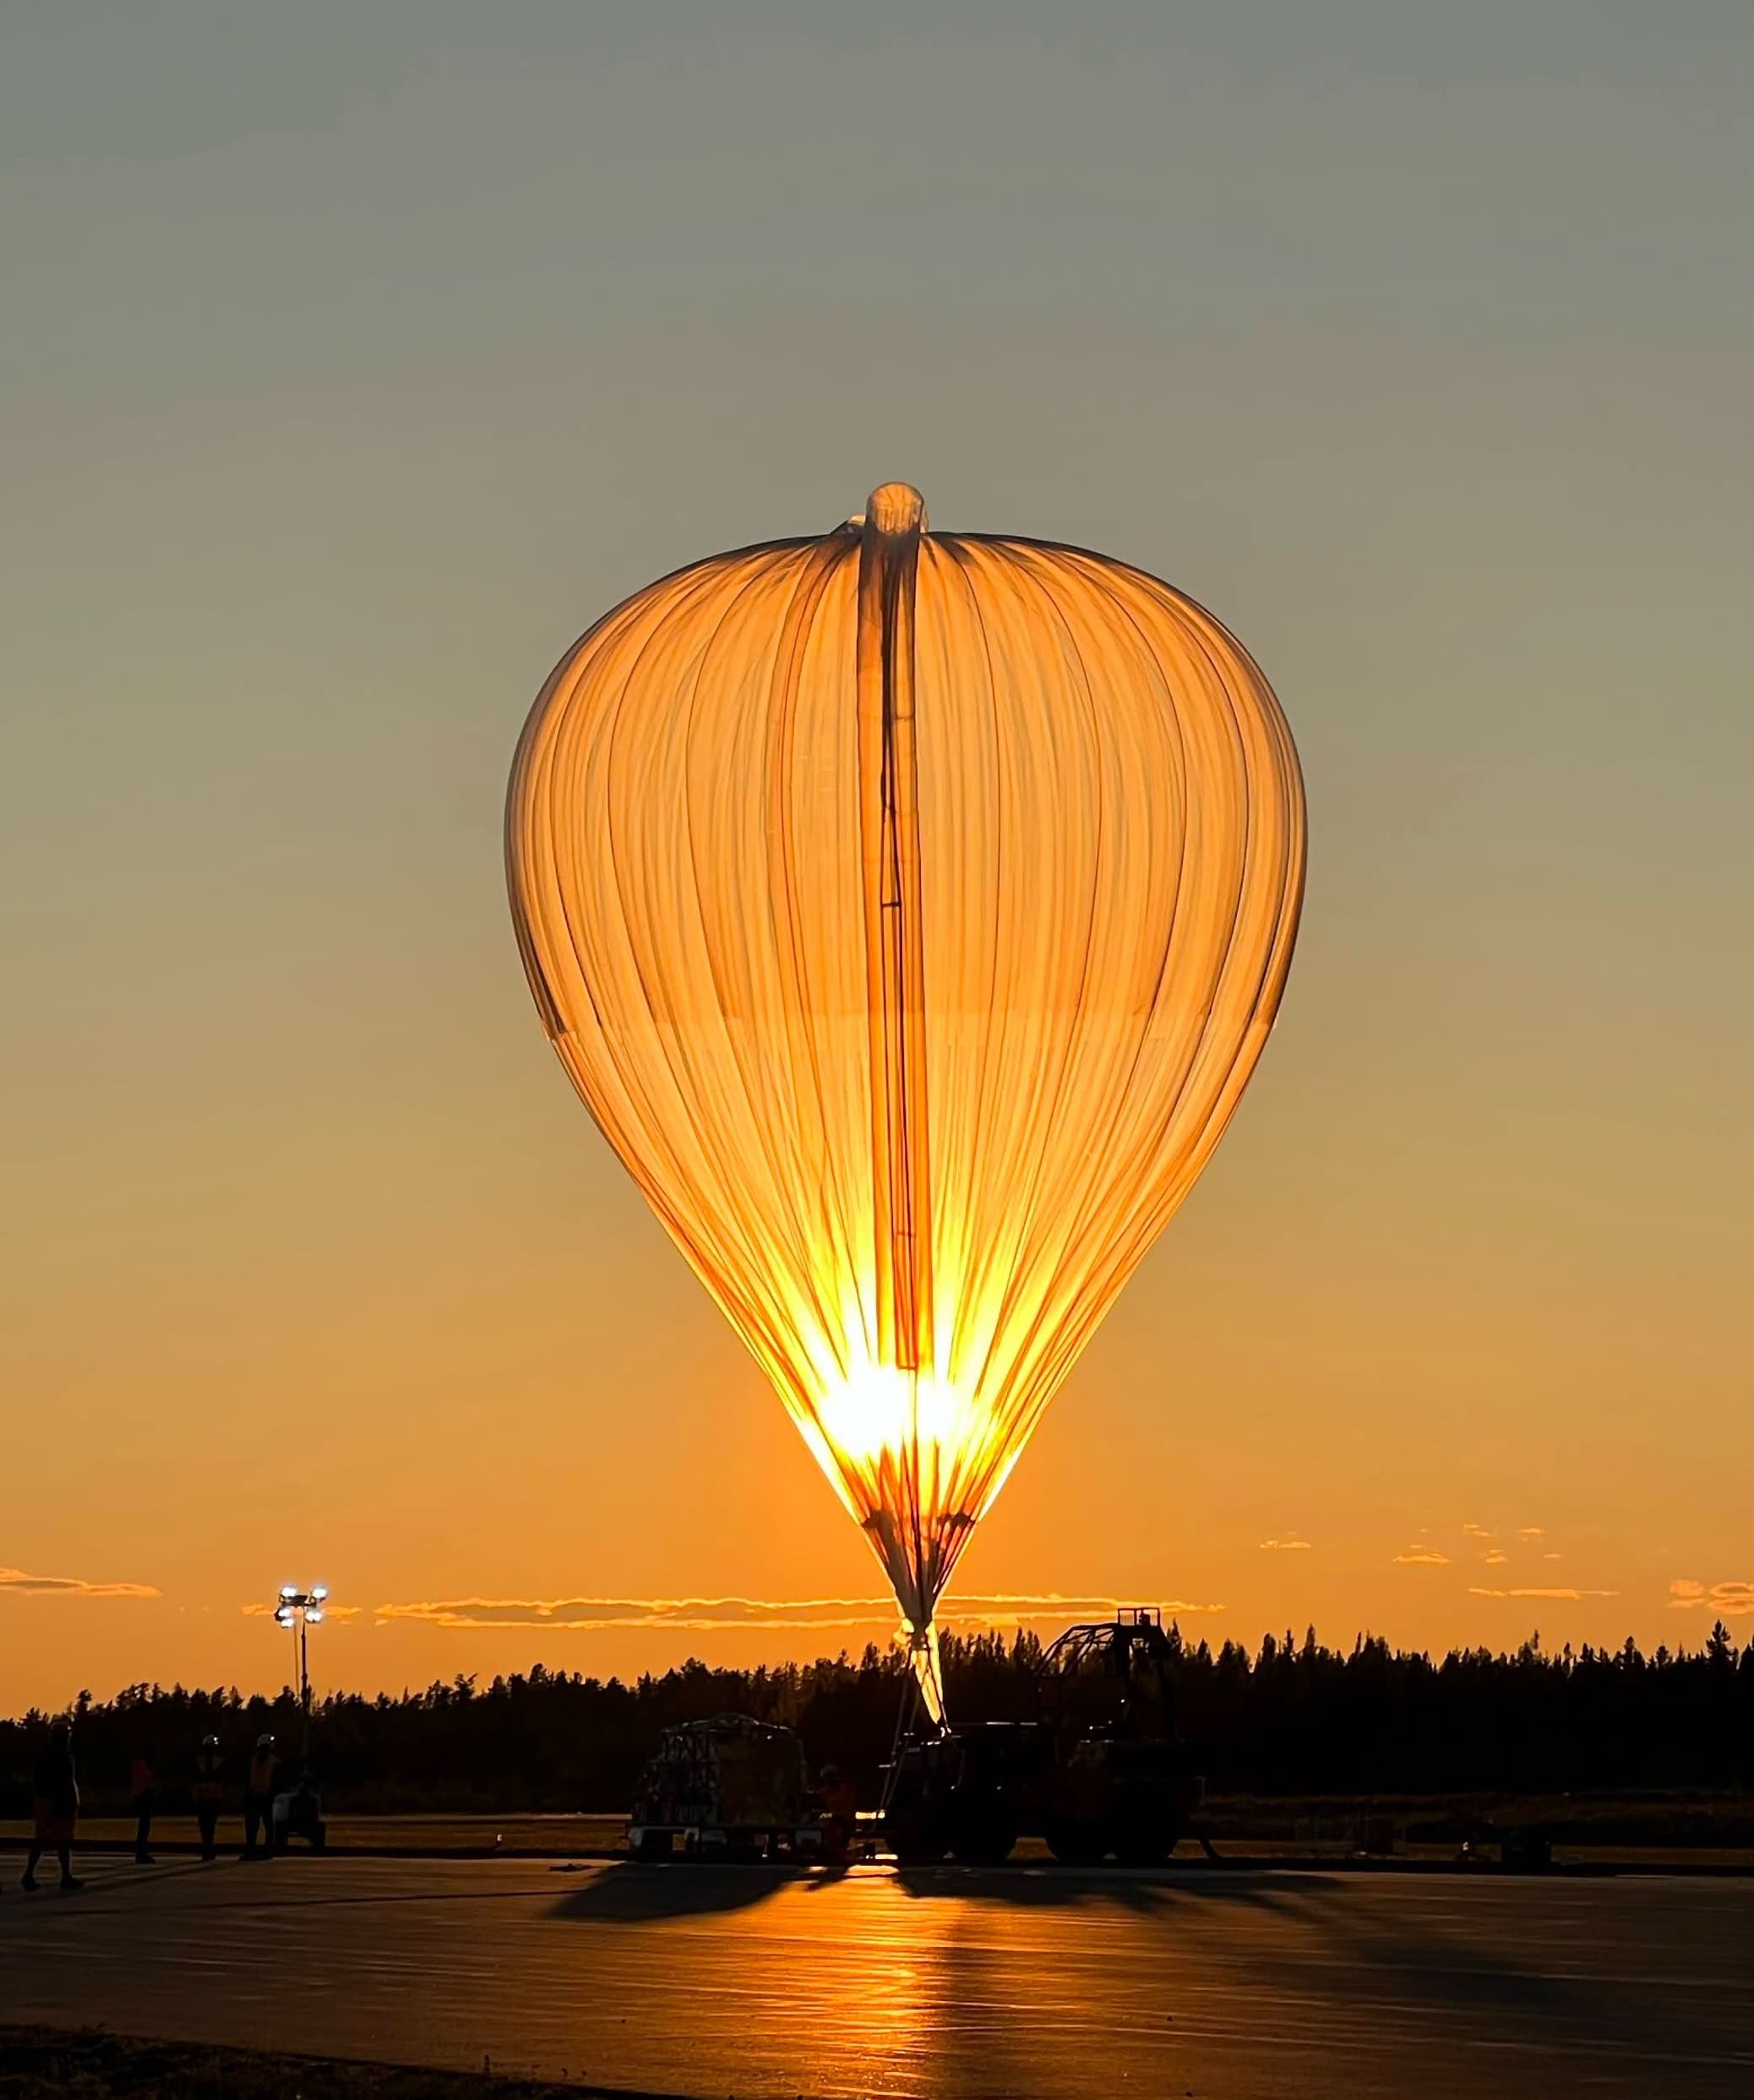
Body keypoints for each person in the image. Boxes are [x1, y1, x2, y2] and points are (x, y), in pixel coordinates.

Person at [22, 1721, 83, 1892]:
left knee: (40, 1839)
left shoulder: (44, 1756)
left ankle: (29, 1874)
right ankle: (65, 1876)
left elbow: (37, 1781)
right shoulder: (64, 1757)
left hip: (44, 1801)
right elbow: (67, 1783)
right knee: (64, 1840)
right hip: (60, 1802)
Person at [242, 1732, 281, 1857]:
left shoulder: (252, 1760)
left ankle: (251, 1849)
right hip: (266, 1797)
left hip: (254, 1796)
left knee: (253, 1825)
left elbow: (246, 1779)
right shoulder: (275, 1762)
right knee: (268, 1825)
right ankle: (267, 1849)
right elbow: (277, 1781)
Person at [817, 1763, 858, 1867]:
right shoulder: (828, 1790)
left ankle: (838, 1854)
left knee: (834, 1828)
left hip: (847, 1820)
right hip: (838, 1819)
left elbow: (838, 1800)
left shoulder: (845, 1788)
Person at [193, 1735, 226, 1861]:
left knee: (206, 1824)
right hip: (211, 1797)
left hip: (206, 1796)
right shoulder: (218, 1762)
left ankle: (207, 1847)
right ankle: (208, 1847)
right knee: (209, 1824)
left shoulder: (200, 1761)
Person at [131, 1741, 158, 1864]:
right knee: (144, 1825)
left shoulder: (138, 1763)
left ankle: (141, 1851)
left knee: (144, 1825)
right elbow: (149, 1777)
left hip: (141, 1794)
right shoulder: (140, 1764)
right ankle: (141, 1853)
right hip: (144, 1794)